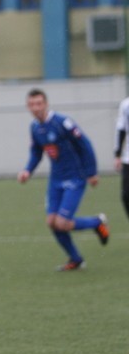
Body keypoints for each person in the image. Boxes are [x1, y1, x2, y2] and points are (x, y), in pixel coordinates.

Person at [18, 88, 109, 271]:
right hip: (56, 180)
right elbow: (36, 152)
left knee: (62, 223)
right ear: (28, 106)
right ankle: (76, 259)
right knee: (51, 222)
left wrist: (91, 172)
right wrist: (27, 170)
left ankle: (96, 222)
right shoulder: (35, 127)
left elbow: (85, 144)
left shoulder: (62, 122)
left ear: (46, 104)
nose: (35, 108)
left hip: (75, 178)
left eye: (39, 103)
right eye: (32, 104)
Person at [113, 96, 129, 220]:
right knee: (126, 195)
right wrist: (117, 155)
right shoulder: (125, 105)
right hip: (128, 158)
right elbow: (121, 129)